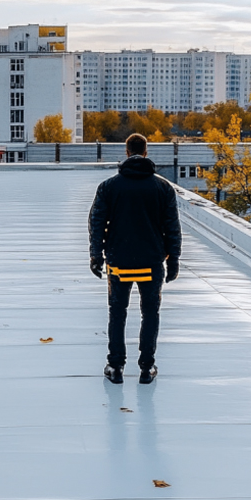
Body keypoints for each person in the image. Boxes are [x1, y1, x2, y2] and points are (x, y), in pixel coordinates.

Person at [88, 133, 181, 385]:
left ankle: (115, 366)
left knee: (117, 312)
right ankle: (146, 368)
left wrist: (96, 255)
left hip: (119, 262)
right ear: (146, 152)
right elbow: (172, 226)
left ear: (127, 152)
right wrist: (173, 260)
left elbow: (96, 223)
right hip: (151, 263)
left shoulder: (109, 187)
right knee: (150, 313)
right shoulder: (163, 188)